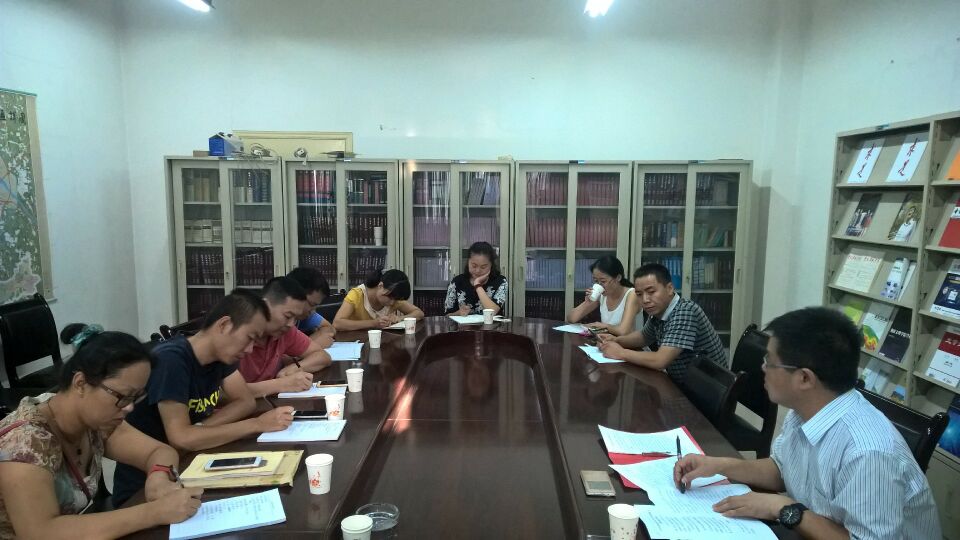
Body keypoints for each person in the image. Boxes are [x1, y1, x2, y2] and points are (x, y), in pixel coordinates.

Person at [674, 307, 940, 540]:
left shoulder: (868, 452)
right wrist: (718, 466)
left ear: (804, 379)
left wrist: (781, 508)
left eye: (770, 362)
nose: (763, 368)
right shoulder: (806, 408)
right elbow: (782, 469)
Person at [0, 325, 202, 539]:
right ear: (80, 383)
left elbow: (159, 451)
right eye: (123, 397)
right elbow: (41, 533)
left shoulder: (94, 421)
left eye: (136, 398)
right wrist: (154, 512)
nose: (129, 407)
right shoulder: (23, 444)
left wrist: (158, 477)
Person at [112, 290, 295, 506]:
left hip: (190, 465)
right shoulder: (171, 360)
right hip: (147, 488)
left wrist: (200, 429)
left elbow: (245, 401)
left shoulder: (220, 357)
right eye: (249, 338)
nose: (249, 349)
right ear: (224, 324)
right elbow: (181, 438)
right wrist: (256, 424)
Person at [597, 263, 727, 382]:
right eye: (639, 294)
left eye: (651, 292)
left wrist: (620, 353)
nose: (645, 300)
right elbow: (643, 337)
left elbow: (660, 360)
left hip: (706, 390)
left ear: (669, 288)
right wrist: (615, 340)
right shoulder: (659, 311)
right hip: (682, 383)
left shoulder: (685, 311)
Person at [239, 277, 333, 397]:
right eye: (288, 316)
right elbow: (223, 393)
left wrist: (295, 368)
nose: (291, 324)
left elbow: (323, 356)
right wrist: (281, 384)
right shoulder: (237, 333)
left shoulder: (284, 331)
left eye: (295, 318)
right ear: (265, 306)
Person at [566, 255, 639, 336]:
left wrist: (603, 326)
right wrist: (587, 303)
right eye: (596, 281)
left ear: (618, 278)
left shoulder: (632, 294)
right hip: (607, 341)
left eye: (603, 281)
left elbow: (623, 331)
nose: (599, 285)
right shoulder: (602, 295)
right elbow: (571, 318)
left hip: (628, 343)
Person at [333, 269, 425, 331]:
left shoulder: (393, 297)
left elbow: (419, 313)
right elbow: (337, 323)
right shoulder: (357, 295)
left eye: (395, 299)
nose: (392, 303)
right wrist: (374, 323)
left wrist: (399, 319)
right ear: (381, 286)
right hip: (355, 343)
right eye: (390, 297)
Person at [444, 241, 508, 316]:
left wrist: (477, 284)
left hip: (492, 324)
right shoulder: (456, 282)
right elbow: (447, 316)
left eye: (483, 267)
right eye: (474, 266)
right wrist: (458, 313)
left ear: (491, 265)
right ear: (468, 262)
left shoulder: (500, 282)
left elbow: (492, 312)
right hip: (464, 324)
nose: (478, 271)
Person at [286, 266, 336, 346]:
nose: (313, 311)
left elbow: (330, 328)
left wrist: (309, 342)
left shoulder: (304, 316)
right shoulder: (276, 321)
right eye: (311, 304)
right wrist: (311, 344)